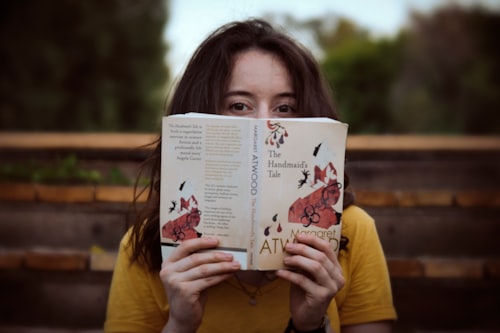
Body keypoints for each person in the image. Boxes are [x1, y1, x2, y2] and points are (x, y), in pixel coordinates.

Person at [104, 19, 397, 333]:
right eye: (239, 105)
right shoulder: (146, 247)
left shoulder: (354, 232)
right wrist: (180, 324)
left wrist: (310, 325)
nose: (264, 126)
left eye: (285, 108)